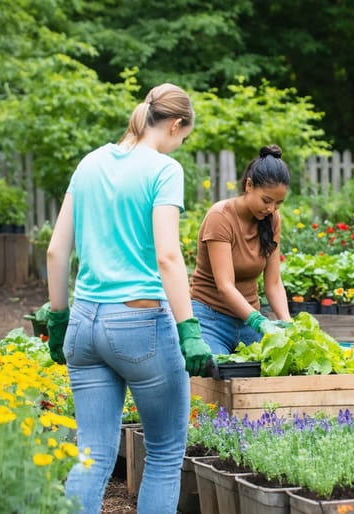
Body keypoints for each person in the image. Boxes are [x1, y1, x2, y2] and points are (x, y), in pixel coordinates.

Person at [46, 83, 213, 514]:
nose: (180, 144)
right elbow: (168, 256)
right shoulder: (163, 169)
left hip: (84, 324)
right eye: (184, 136)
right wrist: (189, 330)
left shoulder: (89, 164)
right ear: (176, 125)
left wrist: (58, 320)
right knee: (162, 454)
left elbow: (56, 251)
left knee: (93, 453)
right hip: (141, 325)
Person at [190, 144, 293, 354]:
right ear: (248, 185)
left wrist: (287, 322)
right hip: (211, 319)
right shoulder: (220, 217)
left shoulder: (272, 219)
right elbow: (225, 286)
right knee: (219, 371)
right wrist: (258, 321)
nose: (271, 208)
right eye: (266, 200)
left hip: (248, 321)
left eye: (278, 203)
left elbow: (273, 282)